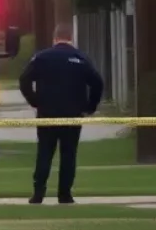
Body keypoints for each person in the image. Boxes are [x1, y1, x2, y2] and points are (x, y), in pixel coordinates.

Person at [19, 22, 104, 204]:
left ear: (54, 38)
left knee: (44, 152)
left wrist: (34, 101)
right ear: (71, 38)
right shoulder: (80, 57)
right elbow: (97, 82)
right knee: (69, 153)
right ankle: (64, 194)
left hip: (47, 114)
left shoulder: (41, 58)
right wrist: (90, 106)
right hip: (72, 115)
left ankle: (38, 192)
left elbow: (24, 80)